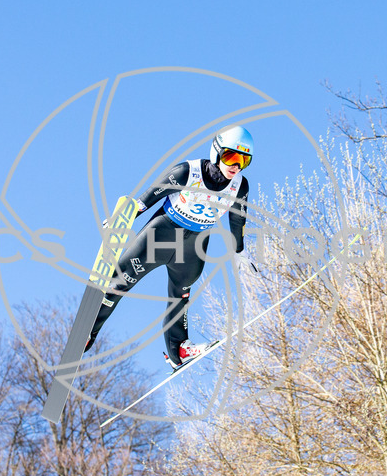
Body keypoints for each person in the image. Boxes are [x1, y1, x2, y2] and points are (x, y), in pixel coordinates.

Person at [85, 125, 258, 368]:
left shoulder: (240, 186)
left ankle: (179, 350)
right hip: (162, 234)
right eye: (231, 157)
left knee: (181, 297)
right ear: (217, 152)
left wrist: (239, 252)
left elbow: (238, 219)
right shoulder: (188, 171)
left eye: (244, 161)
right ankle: (88, 331)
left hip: (193, 247)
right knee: (120, 282)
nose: (236, 166)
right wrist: (124, 217)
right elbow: (147, 198)